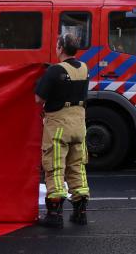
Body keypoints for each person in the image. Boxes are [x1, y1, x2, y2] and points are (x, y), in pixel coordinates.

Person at [35, 34, 91, 228]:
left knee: (55, 167)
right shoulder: (84, 68)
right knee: (77, 167)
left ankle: (54, 214)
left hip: (58, 126)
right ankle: (80, 211)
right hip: (79, 124)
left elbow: (38, 98)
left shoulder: (55, 70)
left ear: (60, 47)